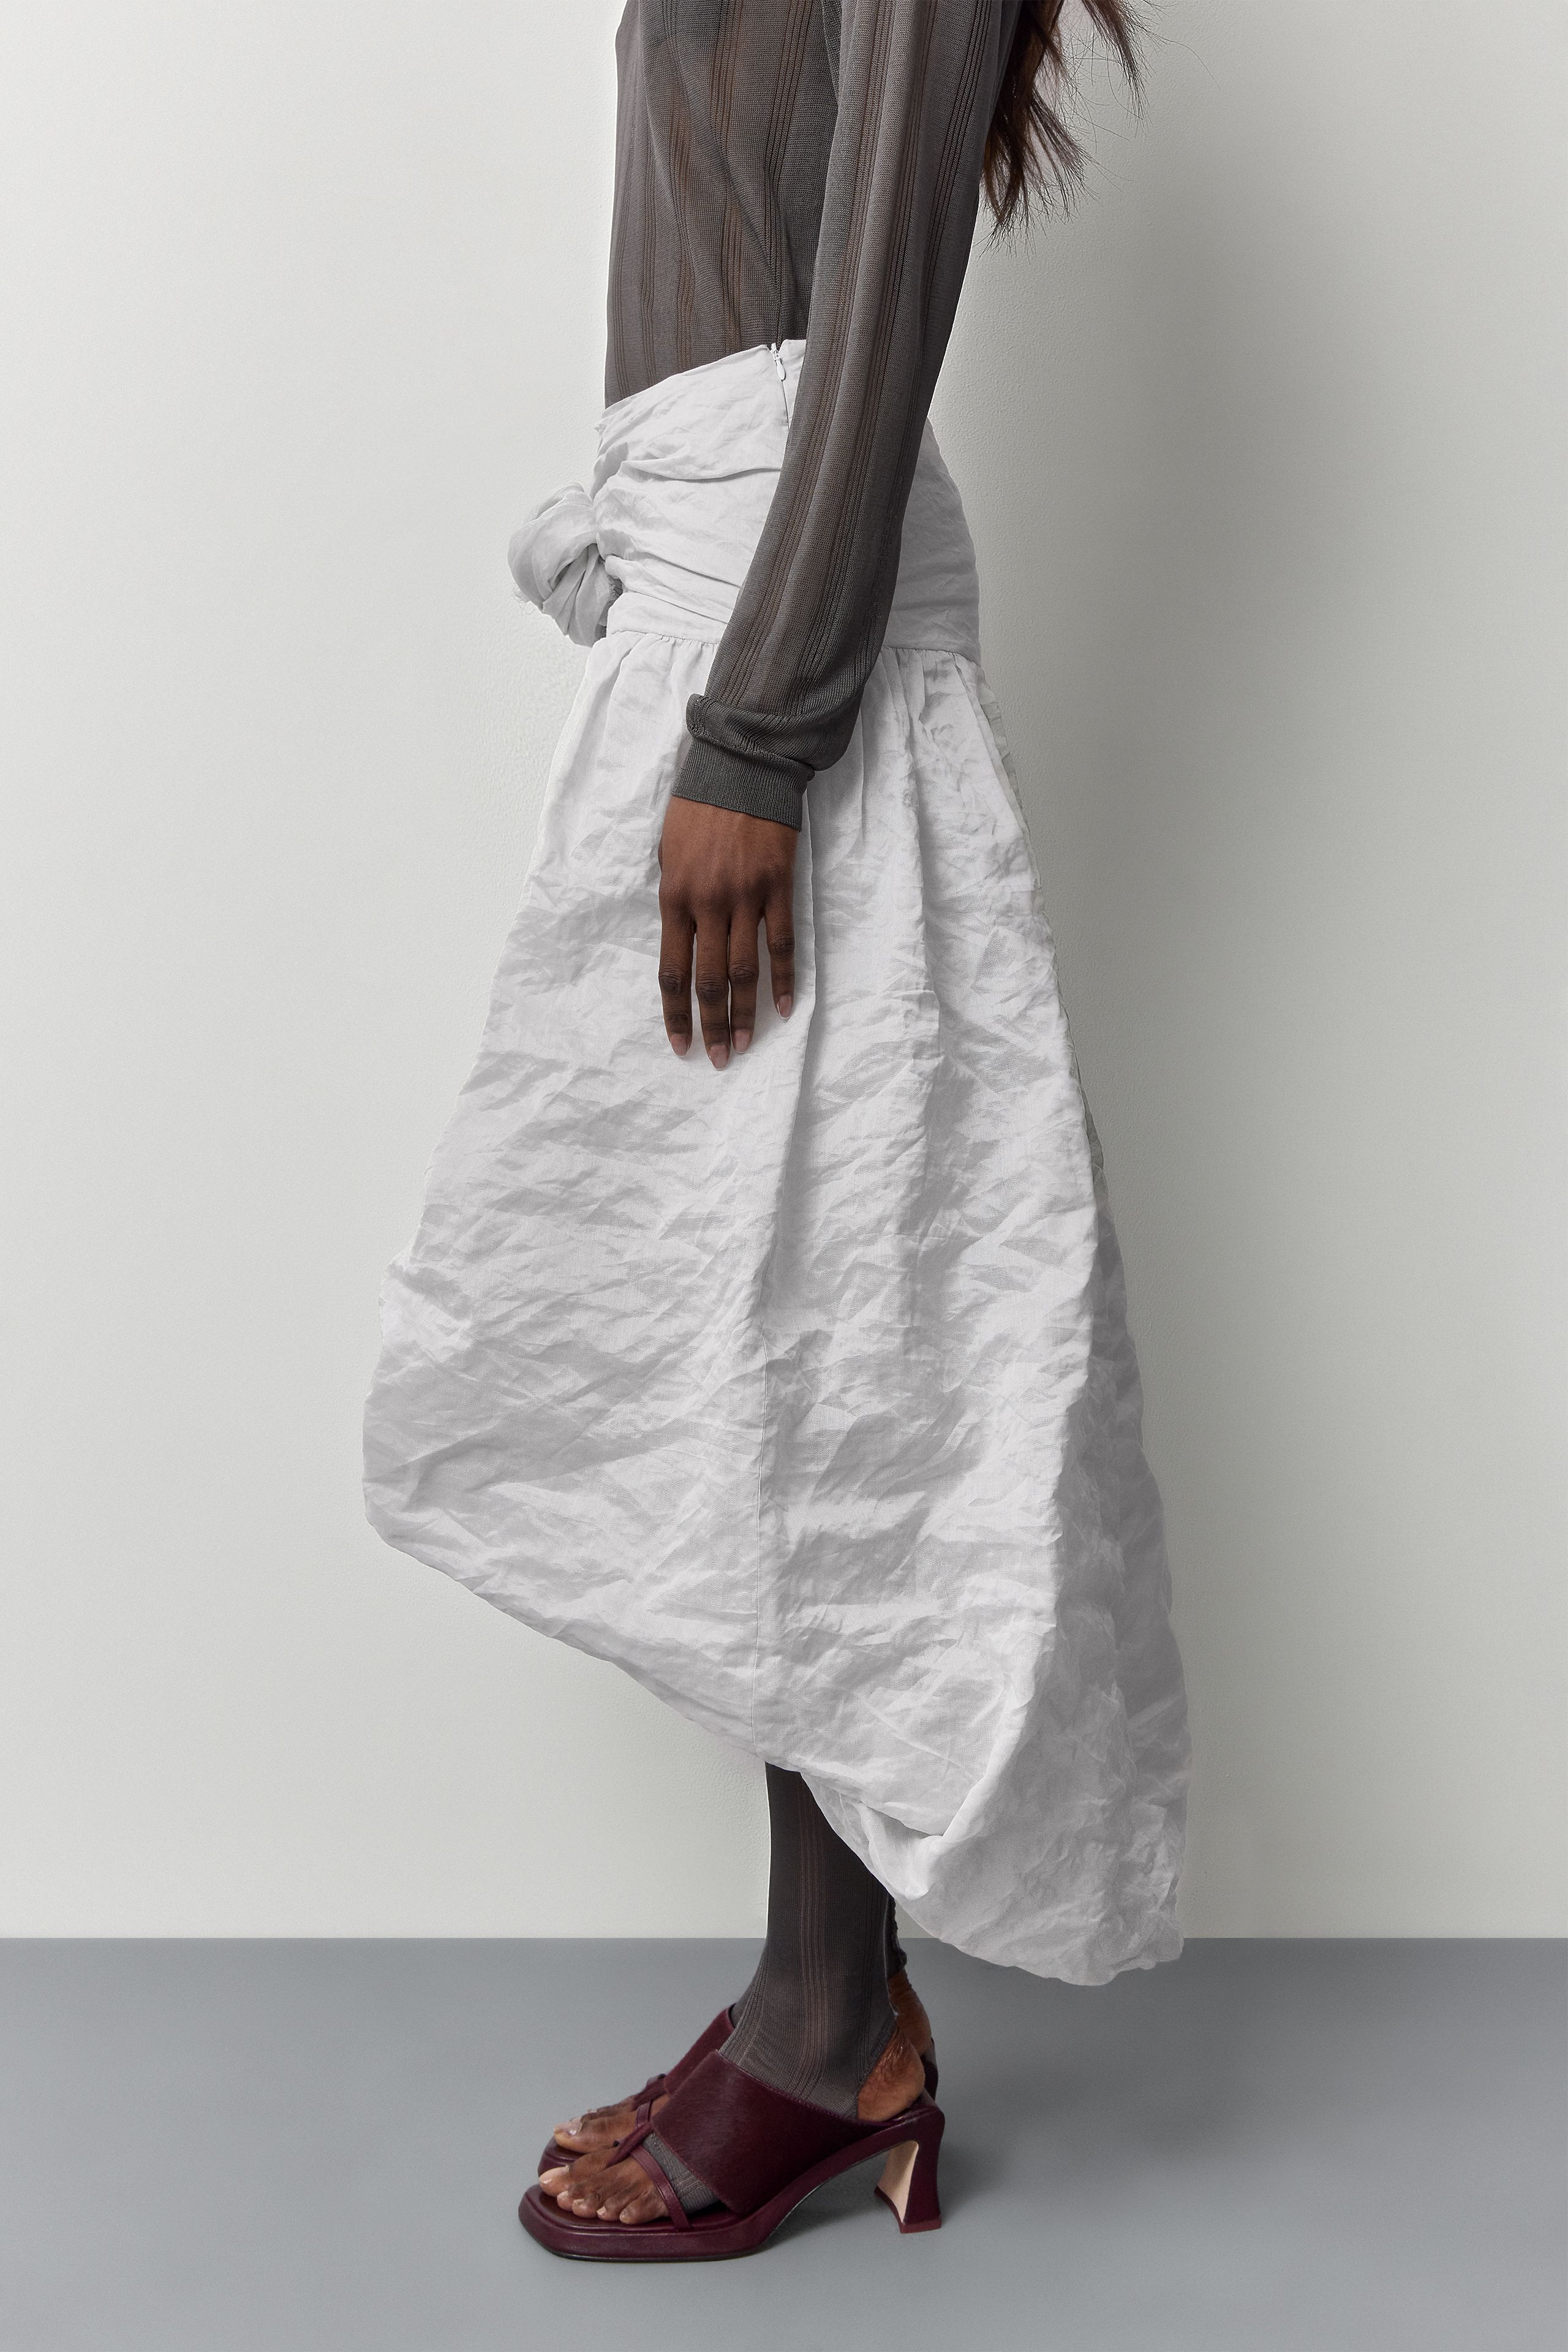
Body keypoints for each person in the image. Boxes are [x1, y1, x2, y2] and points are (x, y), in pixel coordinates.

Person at [363, 0, 1188, 2262]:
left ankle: (831, 2026)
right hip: (719, 605)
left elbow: (883, 302)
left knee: (822, 1336)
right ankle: (831, 2001)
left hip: (785, 655)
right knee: (750, 1327)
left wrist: (758, 733)